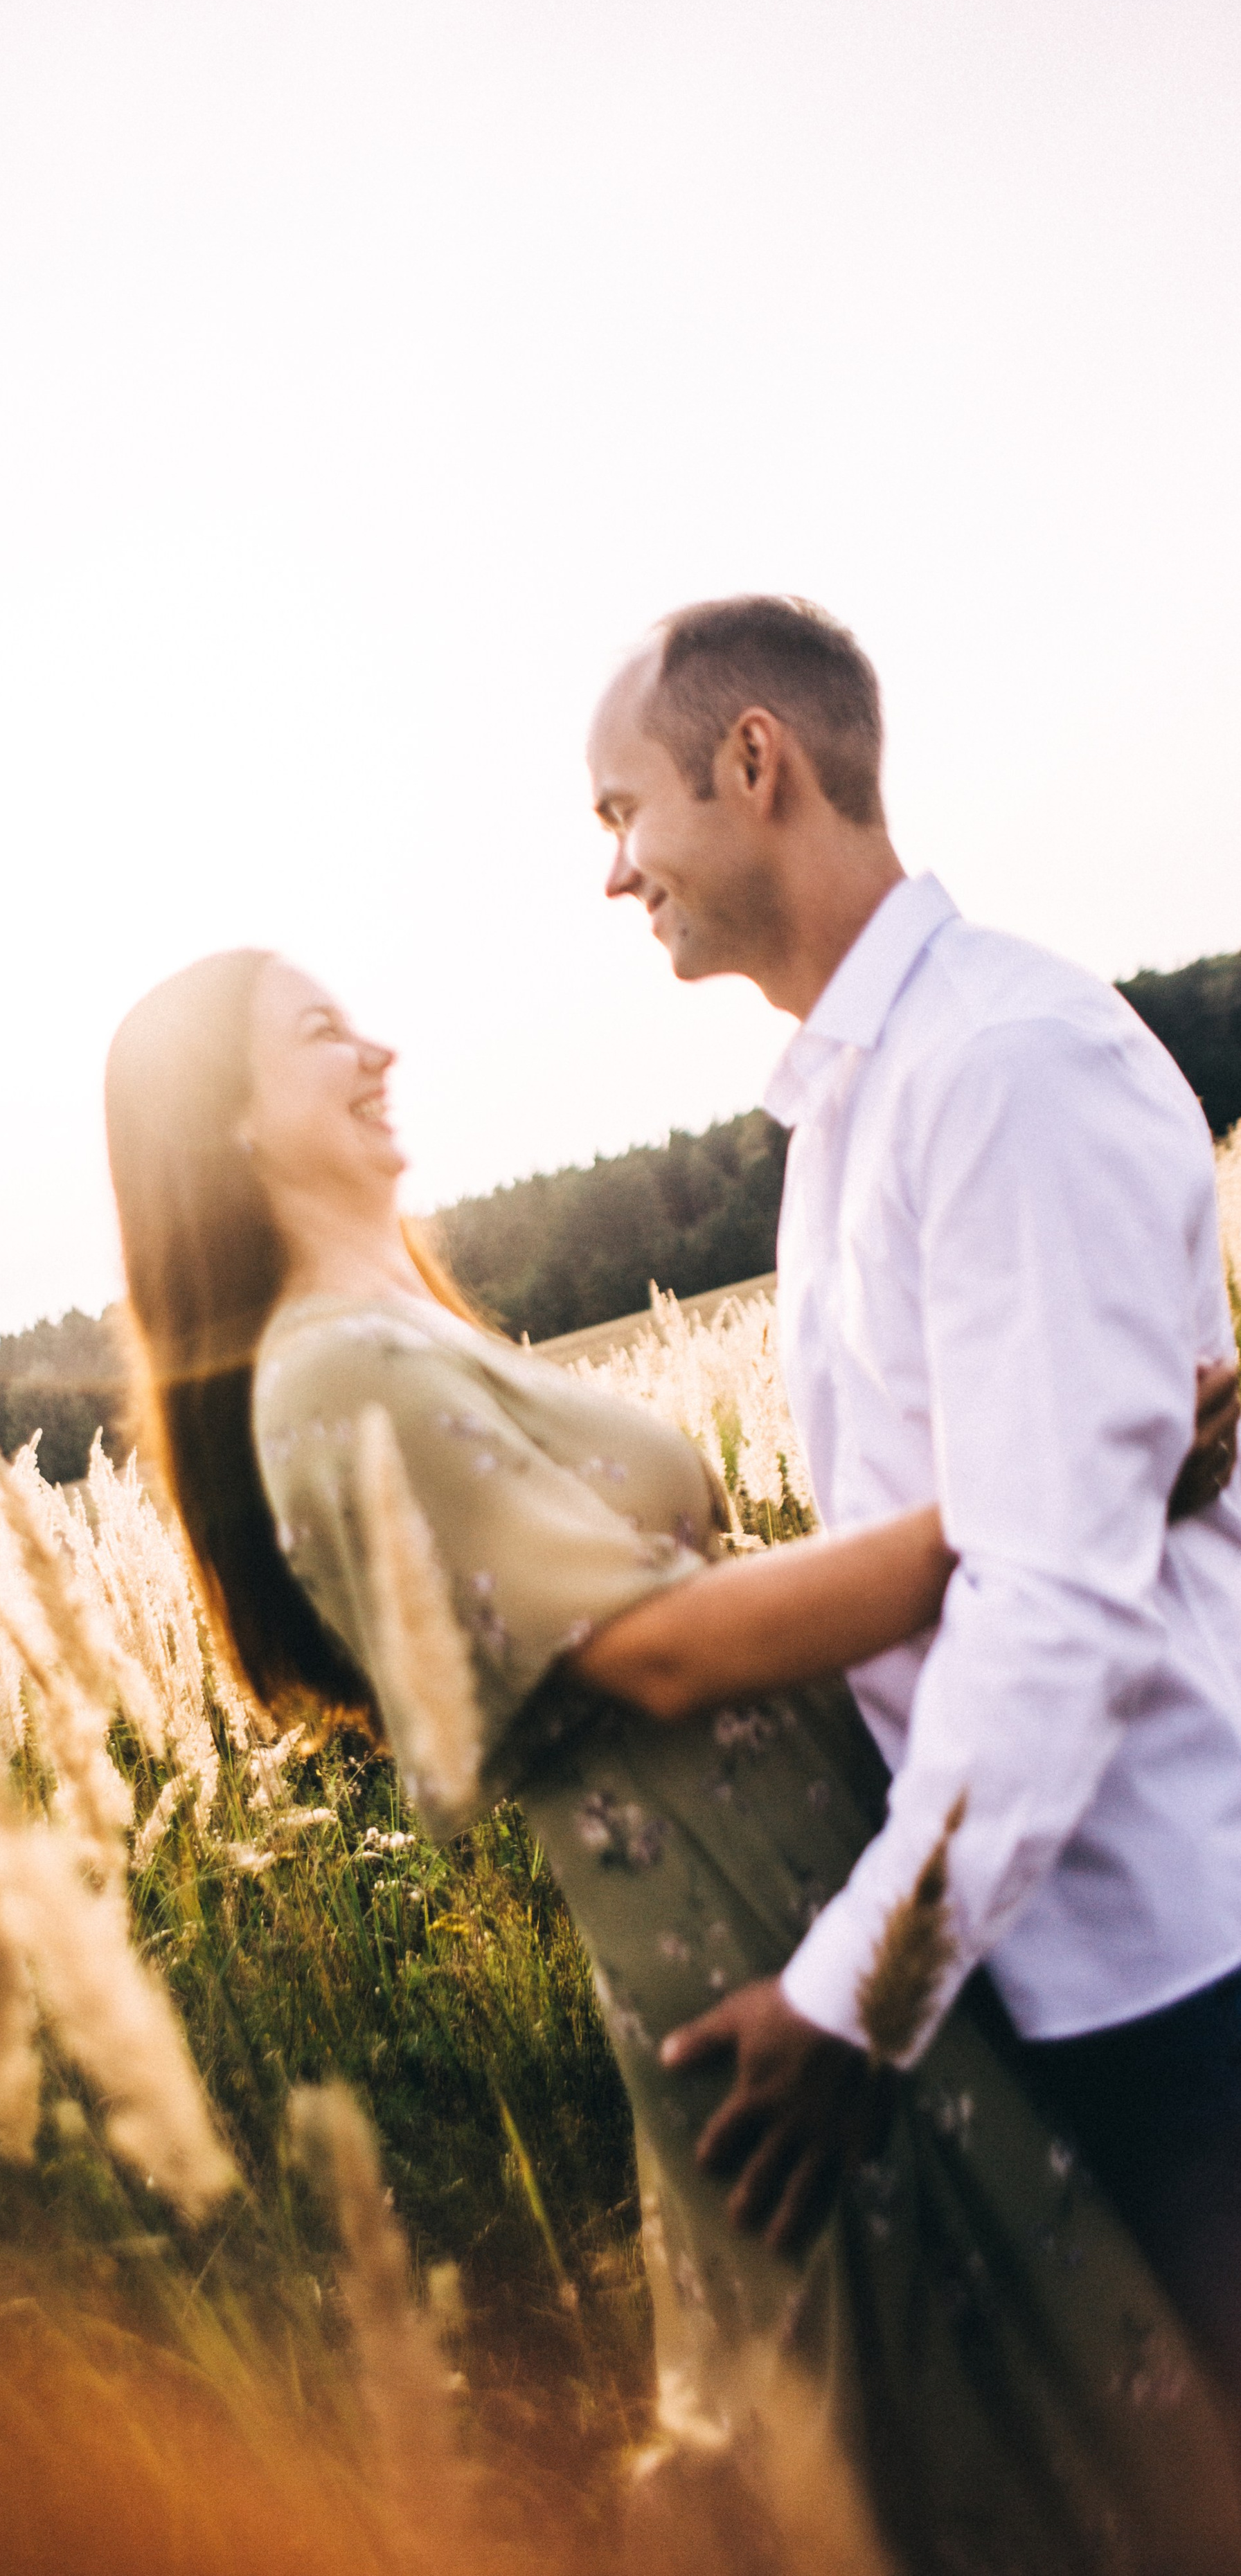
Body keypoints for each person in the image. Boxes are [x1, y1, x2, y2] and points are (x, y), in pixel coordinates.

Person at [104, 947, 1241, 2575]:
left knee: (1022, 2377)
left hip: (808, 1877)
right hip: (732, 1918)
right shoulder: (328, 1377)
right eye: (318, 1033)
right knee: (948, 2427)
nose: (376, 1047)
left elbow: (697, 1603)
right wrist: (1055, 1494)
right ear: (216, 1127)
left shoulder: (401, 1333)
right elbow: (658, 1648)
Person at [587, 594, 1241, 2415]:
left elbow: (1049, 1592)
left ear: (752, 762)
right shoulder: (862, 1099)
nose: (614, 871)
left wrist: (856, 1990)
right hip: (1054, 1956)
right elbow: (981, 1522)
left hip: (1179, 1961)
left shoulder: (997, 1066)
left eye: (619, 814)